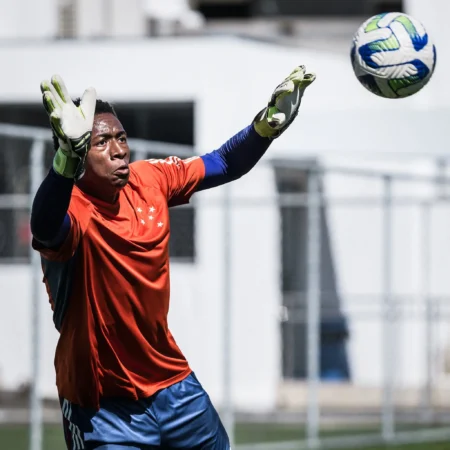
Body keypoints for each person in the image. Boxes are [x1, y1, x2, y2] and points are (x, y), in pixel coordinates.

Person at [30, 66, 315, 450]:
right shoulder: (73, 208)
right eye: (100, 143)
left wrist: (264, 128)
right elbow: (45, 227)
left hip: (173, 387)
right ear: (78, 151)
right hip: (101, 406)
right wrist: (64, 160)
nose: (118, 150)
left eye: (121, 137)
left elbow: (223, 163)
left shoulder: (149, 179)